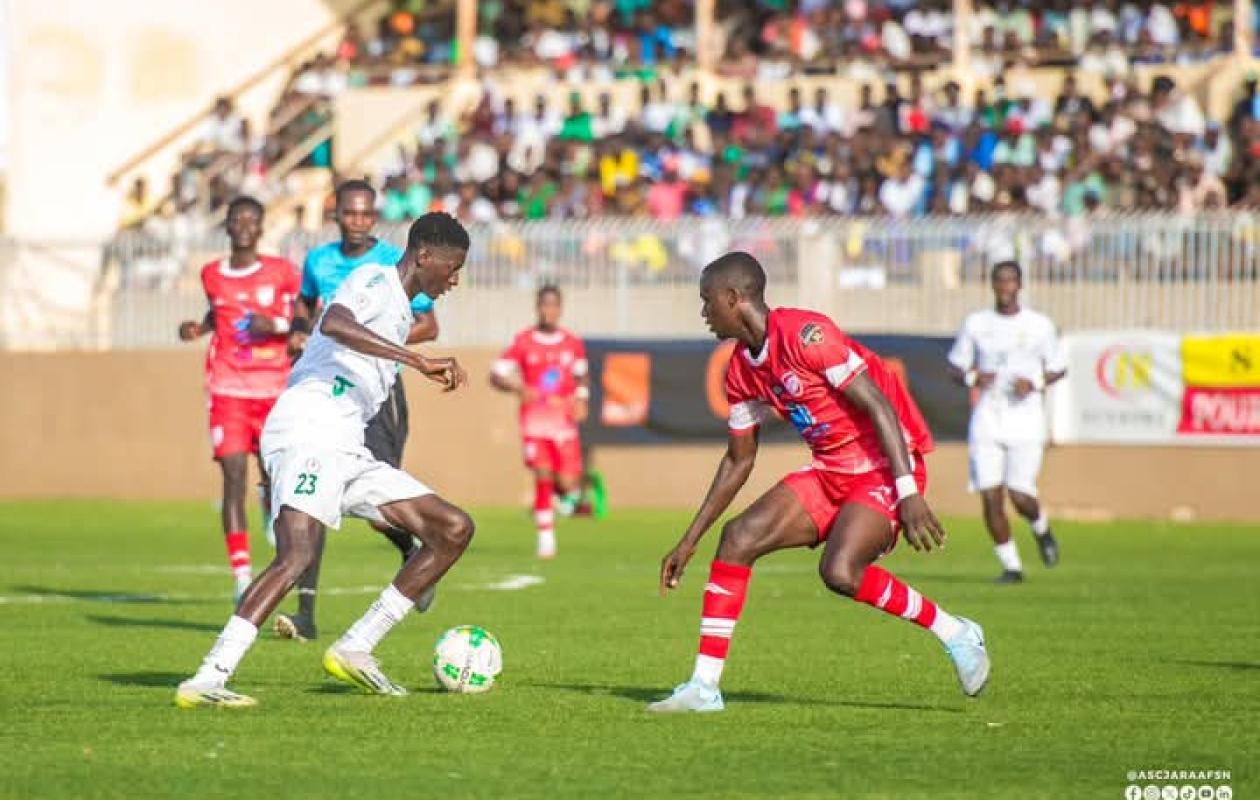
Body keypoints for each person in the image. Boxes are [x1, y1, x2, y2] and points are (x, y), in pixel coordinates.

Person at [648, 252, 989, 713]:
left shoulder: (807, 335)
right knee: (738, 538)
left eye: (707, 301)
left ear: (734, 298)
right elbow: (738, 461)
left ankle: (954, 632)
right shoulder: (739, 370)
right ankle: (704, 689)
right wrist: (689, 540)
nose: (704, 313)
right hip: (831, 469)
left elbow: (879, 406)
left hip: (884, 467)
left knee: (840, 573)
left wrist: (908, 493)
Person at [175, 212, 472, 708]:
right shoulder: (374, 280)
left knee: (453, 529)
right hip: (309, 430)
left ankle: (357, 646)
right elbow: (335, 323)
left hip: (346, 445)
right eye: (453, 266)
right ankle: (209, 677)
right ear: (424, 256)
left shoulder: (400, 307)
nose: (455, 279)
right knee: (296, 555)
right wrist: (417, 360)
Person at [273, 179, 439, 642]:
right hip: (326, 394)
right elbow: (308, 308)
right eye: (350, 213)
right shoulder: (318, 261)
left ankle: (412, 549)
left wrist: (378, 346)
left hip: (377, 395)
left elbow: (428, 322)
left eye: (366, 214)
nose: (358, 221)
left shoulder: (390, 263)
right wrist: (301, 330)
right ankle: (305, 614)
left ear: (375, 217)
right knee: (311, 495)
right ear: (337, 214)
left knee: (375, 509)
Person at [178, 196, 299, 601]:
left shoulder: (282, 272)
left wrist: (275, 325)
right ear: (227, 225)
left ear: (261, 226)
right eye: (237, 218)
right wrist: (200, 327)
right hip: (227, 389)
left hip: (274, 389)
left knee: (272, 471)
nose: (245, 224)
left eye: (252, 218)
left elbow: (303, 322)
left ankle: (270, 503)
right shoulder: (212, 274)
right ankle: (242, 576)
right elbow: (220, 312)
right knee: (232, 477)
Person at [948, 260, 1065, 583]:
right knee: (990, 495)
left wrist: (1037, 382)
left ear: (1020, 284)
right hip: (988, 416)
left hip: (1025, 419)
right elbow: (955, 366)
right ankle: (1012, 566)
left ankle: (1040, 528)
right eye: (999, 281)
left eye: (1011, 281)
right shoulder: (976, 323)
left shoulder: (1039, 325)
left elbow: (1059, 365)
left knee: (1020, 494)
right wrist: (973, 376)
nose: (1005, 287)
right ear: (992, 285)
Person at [489, 285, 589, 559]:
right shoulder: (524, 341)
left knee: (568, 484)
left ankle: (561, 500)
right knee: (542, 473)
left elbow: (581, 376)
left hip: (564, 421)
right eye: (544, 305)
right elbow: (496, 374)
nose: (549, 310)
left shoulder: (571, 342)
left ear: (560, 308)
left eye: (553, 305)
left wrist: (582, 398)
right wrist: (517, 387)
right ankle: (546, 537)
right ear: (538, 307)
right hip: (534, 421)